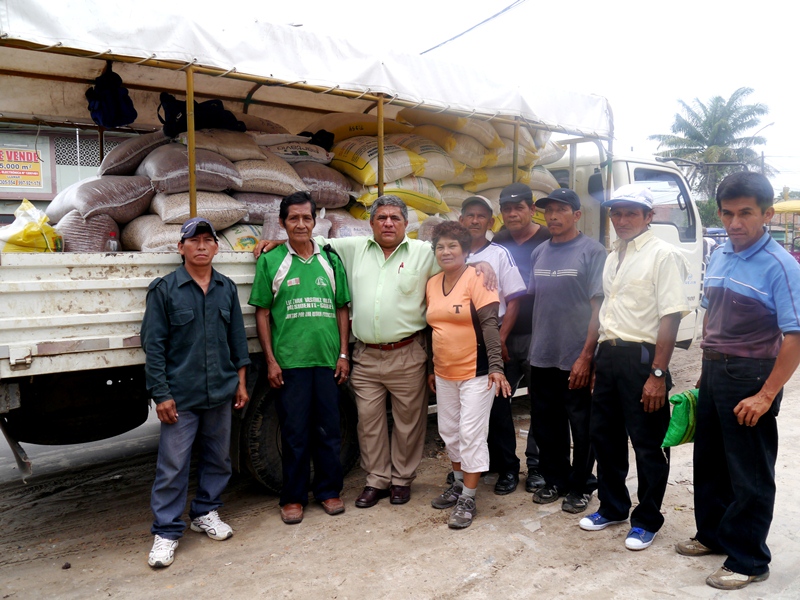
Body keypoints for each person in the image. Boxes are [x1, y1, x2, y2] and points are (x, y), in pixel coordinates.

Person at [254, 195, 497, 508]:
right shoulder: (352, 248)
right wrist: (277, 241)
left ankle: (402, 481)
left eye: (395, 218)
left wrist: (480, 264)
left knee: (409, 423)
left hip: (407, 352)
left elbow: (454, 259)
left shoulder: (423, 252)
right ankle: (377, 481)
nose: (388, 223)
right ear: (371, 223)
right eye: (381, 218)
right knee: (368, 423)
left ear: (406, 223)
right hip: (366, 355)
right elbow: (309, 240)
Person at [677, 172, 800, 590]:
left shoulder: (780, 265)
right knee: (710, 461)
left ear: (767, 214)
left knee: (750, 471)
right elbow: (711, 312)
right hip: (715, 370)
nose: (734, 223)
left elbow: (795, 336)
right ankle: (713, 535)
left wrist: (766, 395)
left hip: (751, 375)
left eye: (745, 213)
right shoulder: (721, 254)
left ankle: (749, 559)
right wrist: (705, 369)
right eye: (727, 214)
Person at [578, 184, 689, 551]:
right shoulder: (614, 255)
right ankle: (612, 507)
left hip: (642, 359)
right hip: (609, 356)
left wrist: (657, 374)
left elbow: (670, 317)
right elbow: (607, 312)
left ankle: (647, 520)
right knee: (605, 437)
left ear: (648, 216)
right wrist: (595, 359)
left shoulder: (663, 255)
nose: (622, 220)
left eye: (630, 213)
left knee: (648, 443)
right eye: (616, 213)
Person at [141, 217, 250, 569]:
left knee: (218, 458)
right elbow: (153, 347)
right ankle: (166, 531)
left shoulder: (226, 288)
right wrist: (161, 394)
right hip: (181, 396)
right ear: (181, 247)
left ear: (217, 247)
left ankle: (205, 512)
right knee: (173, 465)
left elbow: (238, 341)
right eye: (194, 240)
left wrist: (241, 383)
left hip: (220, 390)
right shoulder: (165, 290)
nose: (201, 246)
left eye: (207, 240)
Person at [248, 192, 351, 525]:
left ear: (315, 221)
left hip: (327, 362)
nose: (301, 224)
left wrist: (343, 354)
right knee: (294, 433)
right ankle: (292, 498)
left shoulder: (330, 259)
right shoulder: (271, 260)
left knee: (328, 431)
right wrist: (271, 361)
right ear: (282, 223)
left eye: (307, 218)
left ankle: (329, 491)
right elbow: (262, 313)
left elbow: (342, 308)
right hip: (290, 363)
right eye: (294, 218)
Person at [426, 221, 512, 528]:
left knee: (471, 434)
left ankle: (469, 498)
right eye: (440, 246)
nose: (446, 251)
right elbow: (432, 328)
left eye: (453, 246)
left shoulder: (478, 277)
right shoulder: (432, 283)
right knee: (449, 431)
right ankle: (459, 483)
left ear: (465, 250)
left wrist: (497, 368)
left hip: (477, 371)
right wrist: (431, 368)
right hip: (444, 371)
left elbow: (489, 325)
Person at [527, 189, 605, 513]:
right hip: (542, 354)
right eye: (549, 211)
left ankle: (582, 484)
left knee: (582, 425)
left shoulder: (592, 251)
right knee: (547, 424)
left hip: (576, 356)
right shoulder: (539, 252)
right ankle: (555, 479)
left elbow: (599, 308)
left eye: (561, 210)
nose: (553, 216)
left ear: (576, 215)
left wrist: (587, 356)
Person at [459, 196, 527, 495]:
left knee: (497, 405)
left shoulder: (500, 254)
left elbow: (514, 299)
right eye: (470, 215)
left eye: (481, 216)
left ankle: (508, 468)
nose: (475, 221)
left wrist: (500, 338)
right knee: (467, 409)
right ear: (461, 220)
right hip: (461, 339)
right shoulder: (453, 252)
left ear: (490, 221)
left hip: (491, 335)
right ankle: (479, 465)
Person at [492, 182, 551, 492]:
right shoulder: (499, 240)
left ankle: (537, 466)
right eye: (507, 209)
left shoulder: (548, 238)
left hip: (539, 334)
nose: (513, 214)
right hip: (503, 334)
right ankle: (506, 467)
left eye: (519, 208)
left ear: (532, 209)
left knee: (540, 403)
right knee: (497, 403)